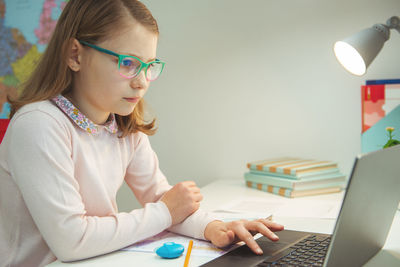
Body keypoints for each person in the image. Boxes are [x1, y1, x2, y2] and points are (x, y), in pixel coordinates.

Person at [0, 0, 284, 266]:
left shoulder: (123, 126)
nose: (142, 82)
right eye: (128, 63)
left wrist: (213, 227)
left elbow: (163, 199)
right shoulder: (39, 125)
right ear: (75, 55)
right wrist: (165, 211)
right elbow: (72, 240)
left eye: (149, 66)